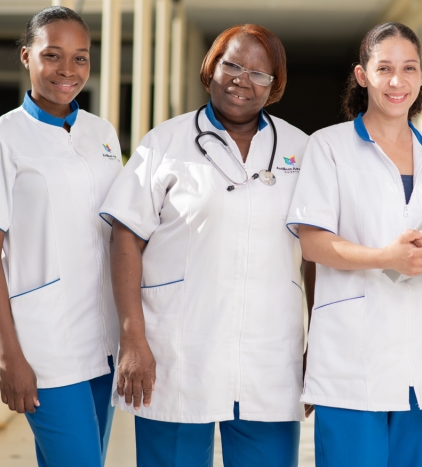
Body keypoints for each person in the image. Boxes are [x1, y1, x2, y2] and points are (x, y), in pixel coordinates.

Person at [100, 24, 312, 467]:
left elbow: (316, 253)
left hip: (269, 354)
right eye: (231, 64)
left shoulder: (301, 149)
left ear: (274, 87)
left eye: (260, 73)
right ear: (211, 67)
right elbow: (125, 239)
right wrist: (133, 338)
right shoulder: (165, 142)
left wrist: (321, 346)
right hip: (177, 350)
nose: (242, 79)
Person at [287, 22, 422, 467]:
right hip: (353, 357)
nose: (397, 81)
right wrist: (386, 258)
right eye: (385, 68)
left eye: (408, 68)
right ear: (362, 75)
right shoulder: (328, 147)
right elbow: (312, 243)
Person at [0, 7, 121, 467]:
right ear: (27, 56)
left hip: (105, 339)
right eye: (53, 56)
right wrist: (9, 356)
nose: (67, 70)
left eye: (80, 58)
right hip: (45, 343)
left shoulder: (102, 133)